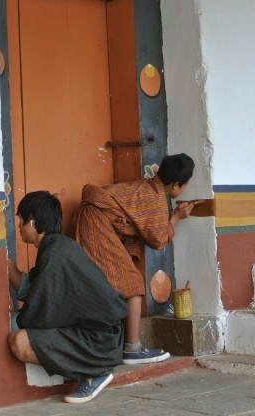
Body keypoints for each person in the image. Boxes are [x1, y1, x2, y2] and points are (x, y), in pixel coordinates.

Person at [71, 153, 195, 364]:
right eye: (184, 186)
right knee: (132, 282)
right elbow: (157, 240)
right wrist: (175, 218)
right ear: (175, 185)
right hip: (95, 223)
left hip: (91, 218)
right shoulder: (155, 199)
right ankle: (132, 348)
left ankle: (116, 342)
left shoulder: (147, 186)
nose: (184, 190)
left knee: (108, 281)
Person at [7, 191, 128, 404]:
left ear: (33, 222)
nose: (19, 227)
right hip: (102, 336)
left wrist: (18, 320)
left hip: (100, 343)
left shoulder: (56, 254)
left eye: (21, 221)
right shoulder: (57, 246)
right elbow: (33, 287)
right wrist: (5, 263)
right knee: (14, 322)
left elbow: (39, 309)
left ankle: (94, 372)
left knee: (19, 341)